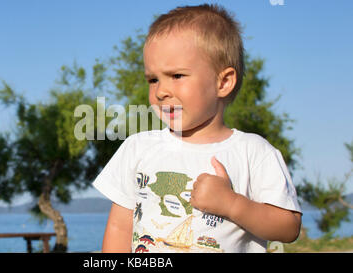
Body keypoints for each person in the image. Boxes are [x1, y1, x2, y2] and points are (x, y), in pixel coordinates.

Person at [92, 4, 302, 253]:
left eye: (177, 76)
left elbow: (288, 228)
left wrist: (232, 204)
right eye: (153, 79)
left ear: (223, 82)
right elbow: (119, 227)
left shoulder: (253, 152)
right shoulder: (138, 148)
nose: (161, 91)